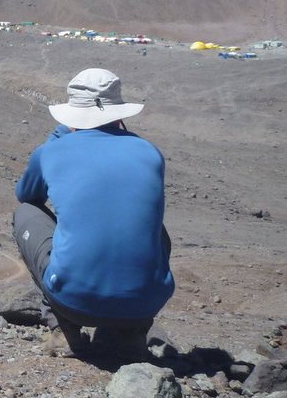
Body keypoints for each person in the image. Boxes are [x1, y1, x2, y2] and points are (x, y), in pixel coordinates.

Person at [13, 68, 174, 358]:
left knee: (25, 213)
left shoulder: (50, 152)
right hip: (145, 304)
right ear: (119, 112)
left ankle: (63, 330)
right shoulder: (150, 152)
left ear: (73, 115)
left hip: (72, 300)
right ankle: (128, 336)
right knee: (155, 230)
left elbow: (27, 196)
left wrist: (58, 138)